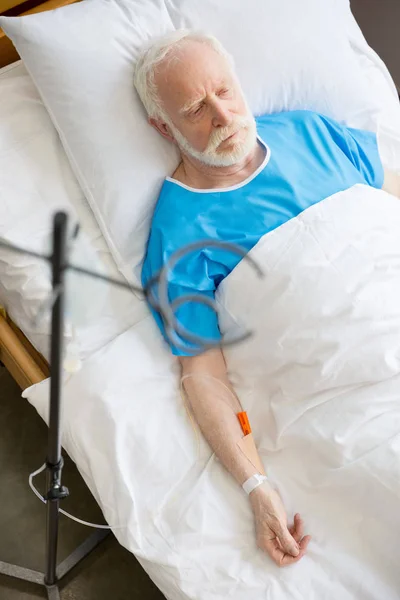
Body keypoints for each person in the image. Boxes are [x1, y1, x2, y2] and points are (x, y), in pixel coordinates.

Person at [134, 29, 400, 567]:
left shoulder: (311, 131)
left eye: (224, 92)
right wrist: (256, 484)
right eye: (195, 108)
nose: (222, 116)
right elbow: (203, 375)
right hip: (352, 387)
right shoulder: (177, 233)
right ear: (163, 127)